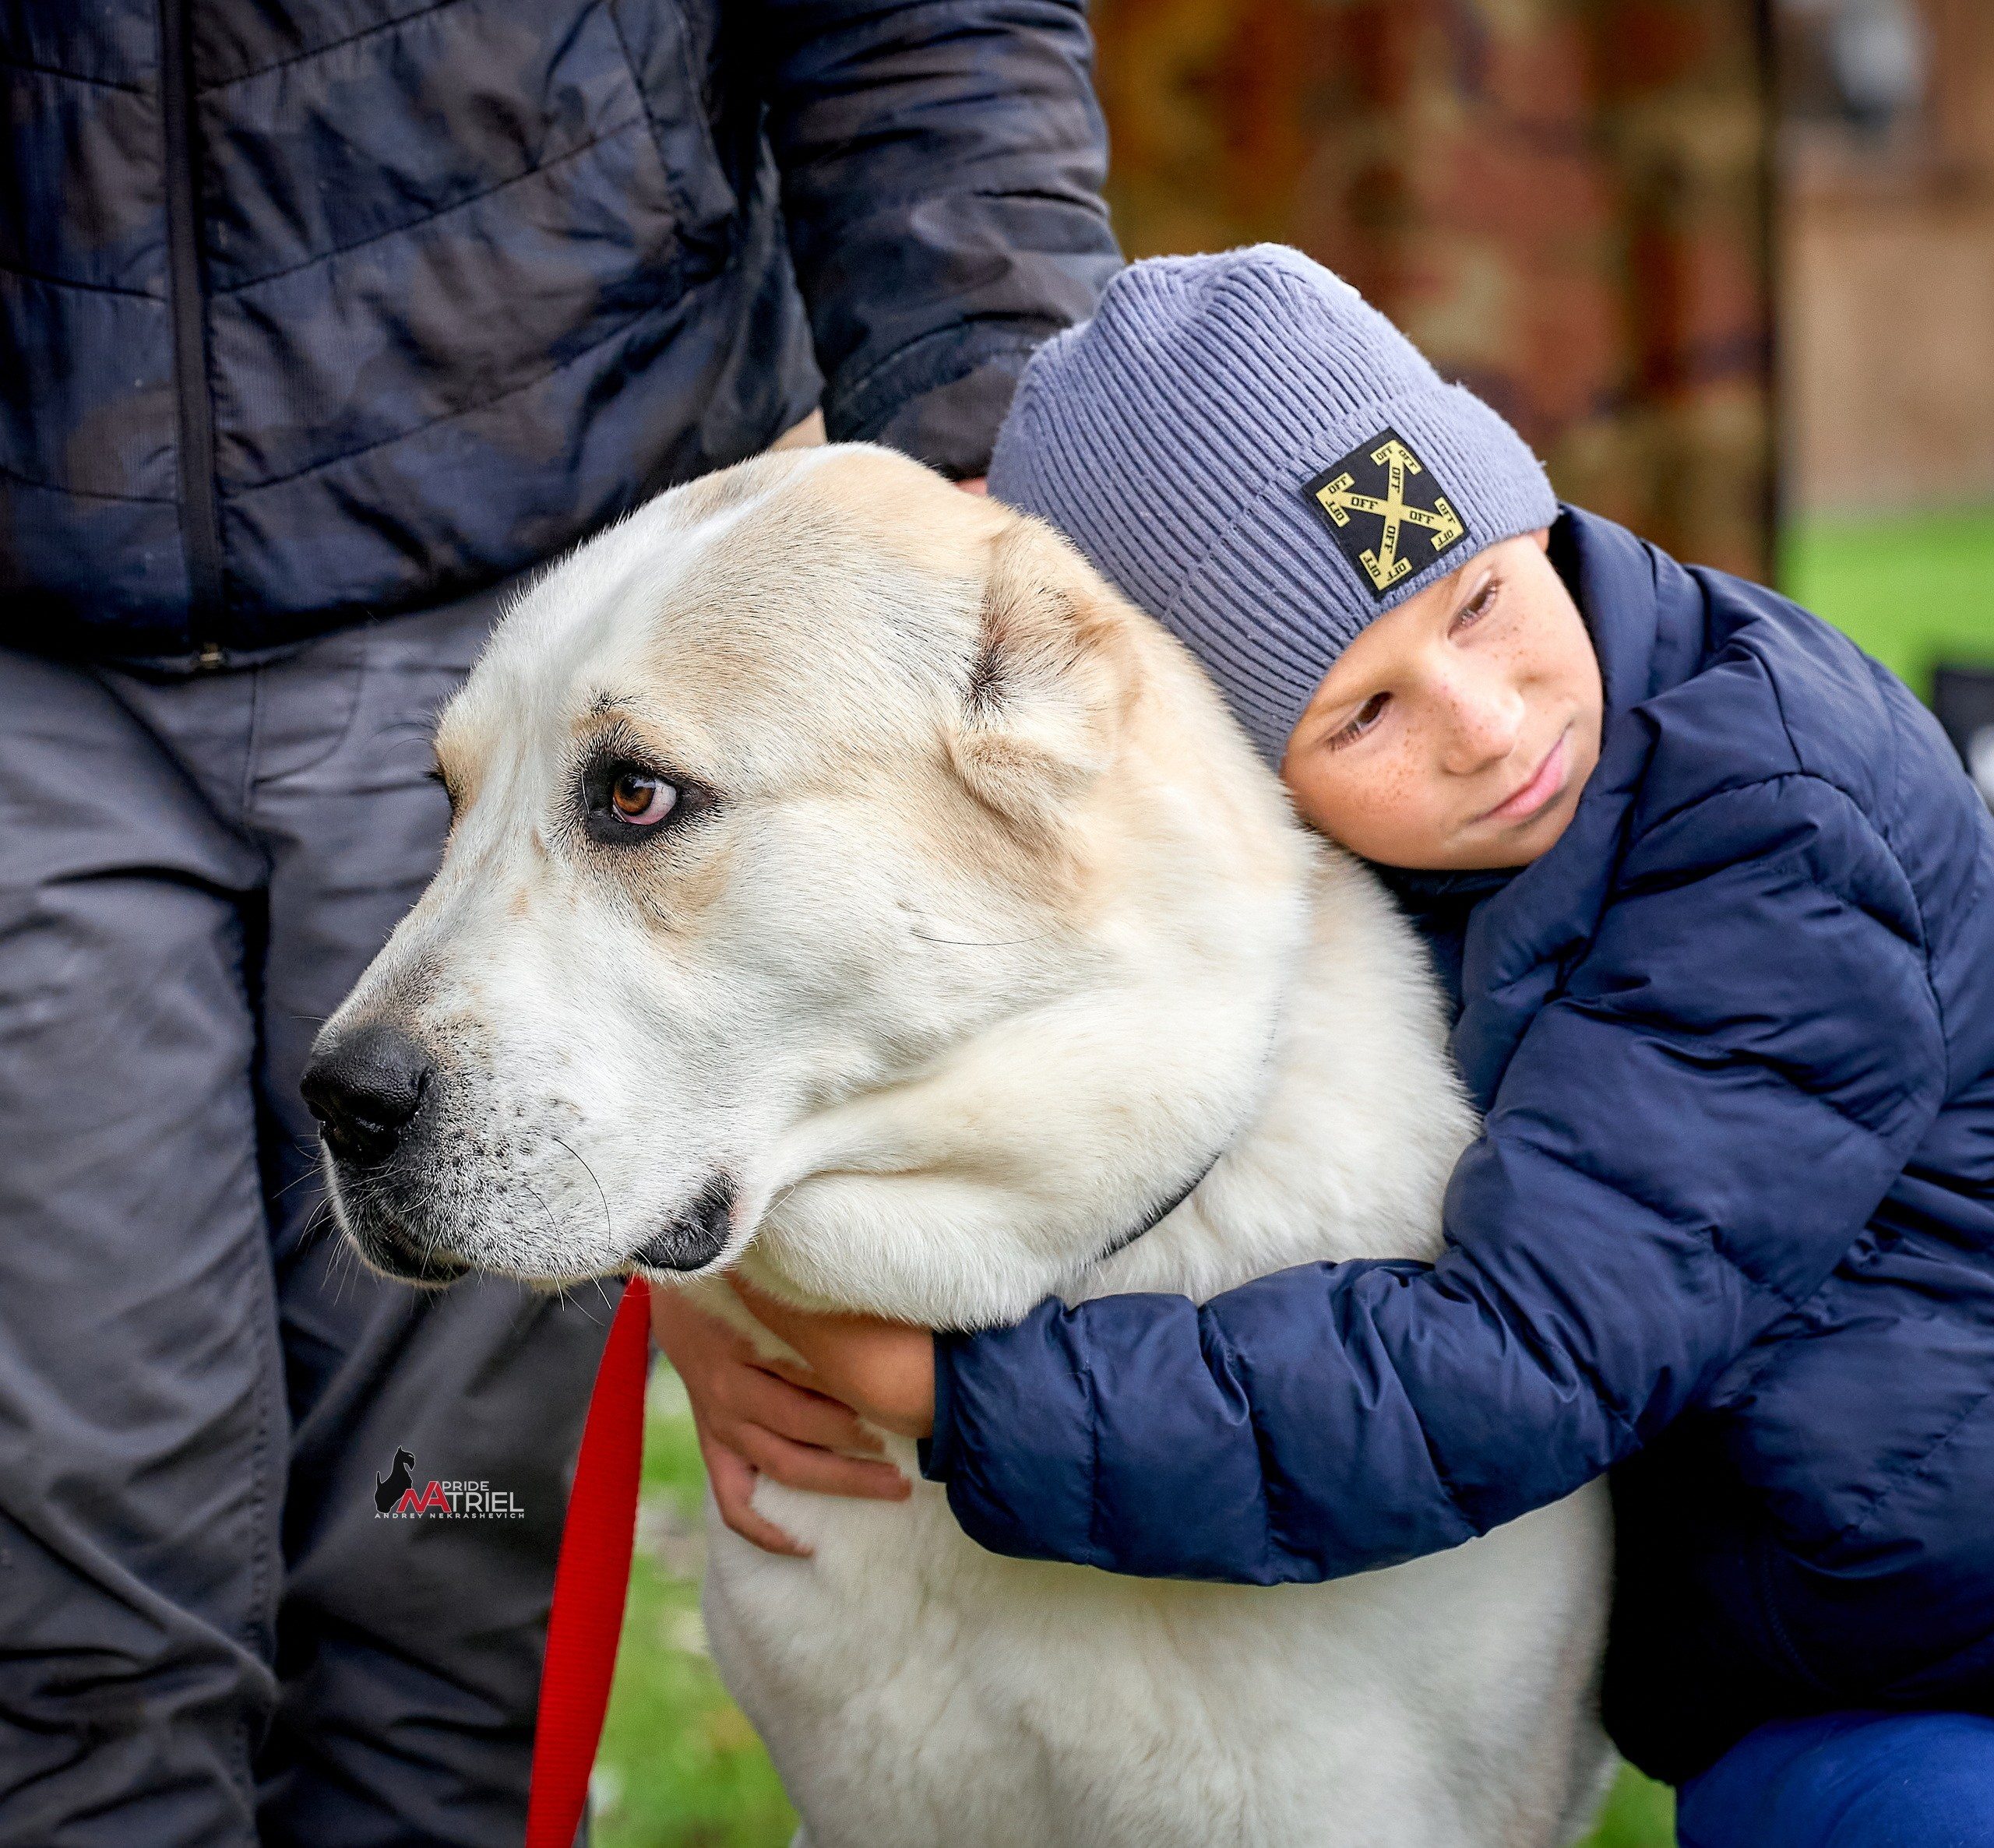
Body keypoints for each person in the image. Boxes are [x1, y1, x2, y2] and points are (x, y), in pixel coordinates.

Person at [654, 248, 1994, 1846]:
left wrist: (934, 1386)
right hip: (1796, 1608)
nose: (1484, 720)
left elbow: (1520, 1355)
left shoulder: (1765, 829)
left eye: (1485, 597)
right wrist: (717, 1283)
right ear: (1225, 770)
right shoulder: (1393, 840)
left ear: (1518, 499)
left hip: (1931, 1643)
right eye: (1361, 711)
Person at [0, 7, 1119, 1843]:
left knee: (448, 1562)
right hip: (37, 650)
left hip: (562, 593)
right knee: (69, 1600)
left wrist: (999, 442)